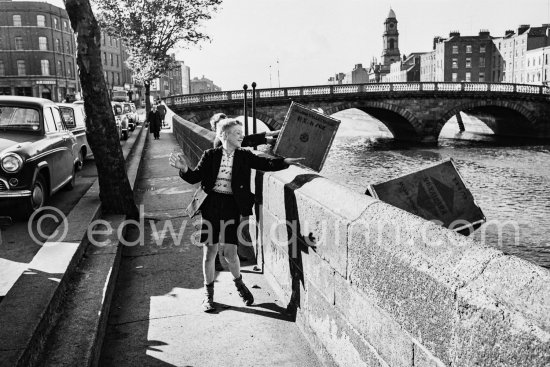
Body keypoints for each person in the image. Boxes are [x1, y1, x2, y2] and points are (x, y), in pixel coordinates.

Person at [169, 118, 303, 312]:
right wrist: (183, 169)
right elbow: (194, 177)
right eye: (237, 133)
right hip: (211, 206)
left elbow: (264, 163)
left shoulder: (244, 155)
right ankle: (209, 295)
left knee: (231, 253)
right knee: (210, 252)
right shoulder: (210, 155)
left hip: (232, 206)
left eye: (241, 133)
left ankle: (239, 284)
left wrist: (285, 162)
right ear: (224, 135)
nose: (242, 136)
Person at [209, 113, 280, 148]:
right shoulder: (221, 140)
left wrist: (267, 138)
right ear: (214, 128)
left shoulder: (222, 138)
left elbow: (245, 139)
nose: (224, 126)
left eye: (226, 123)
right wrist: (267, 139)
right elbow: (246, 140)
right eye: (221, 124)